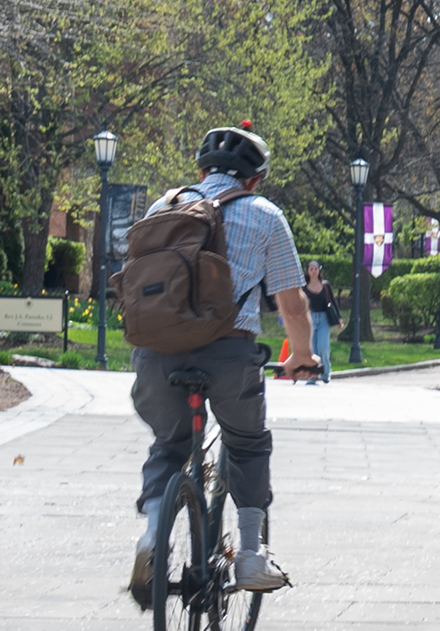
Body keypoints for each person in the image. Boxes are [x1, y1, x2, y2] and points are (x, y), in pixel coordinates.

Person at [127, 124, 314, 606]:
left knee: (168, 445)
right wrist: (302, 356)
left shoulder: (162, 207)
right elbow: (291, 304)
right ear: (254, 180)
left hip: (156, 354)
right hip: (229, 352)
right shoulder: (266, 215)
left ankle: (152, 539)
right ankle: (250, 554)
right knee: (248, 443)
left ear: (202, 171)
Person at [300, 261, 337, 384]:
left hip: (323, 319)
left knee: (323, 347)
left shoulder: (325, 285)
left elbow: (332, 301)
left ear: (319, 270)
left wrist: (339, 318)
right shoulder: (303, 286)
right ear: (308, 271)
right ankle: (313, 375)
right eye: (311, 269)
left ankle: (326, 372)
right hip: (309, 318)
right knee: (312, 349)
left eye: (316, 268)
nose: (314, 271)